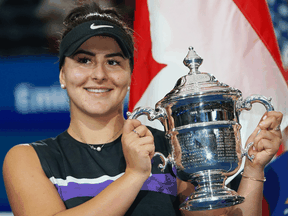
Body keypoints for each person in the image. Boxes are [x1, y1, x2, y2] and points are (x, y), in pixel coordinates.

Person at [3, 2, 283, 216]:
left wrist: (254, 169)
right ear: (63, 75)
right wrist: (135, 175)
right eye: (84, 60)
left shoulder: (169, 148)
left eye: (113, 62)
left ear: (129, 76)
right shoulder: (29, 158)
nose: (99, 74)